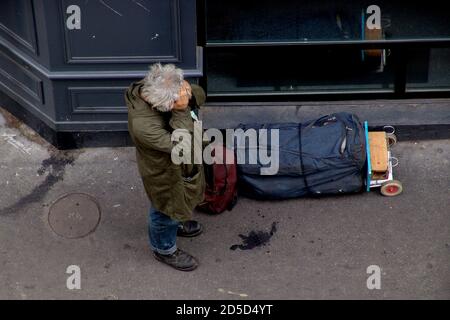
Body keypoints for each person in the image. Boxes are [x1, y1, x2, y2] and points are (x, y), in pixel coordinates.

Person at [125, 63, 206, 271]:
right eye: (177, 99)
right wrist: (182, 110)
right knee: (164, 210)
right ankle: (164, 249)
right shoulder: (144, 126)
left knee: (179, 203)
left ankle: (178, 221)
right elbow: (183, 146)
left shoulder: (155, 84)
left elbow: (201, 96)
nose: (183, 97)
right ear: (162, 105)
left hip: (181, 166)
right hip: (164, 173)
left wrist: (188, 91)